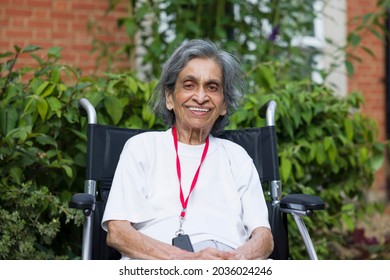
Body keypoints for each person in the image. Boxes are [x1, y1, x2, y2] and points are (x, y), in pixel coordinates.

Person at [101, 39, 274, 260]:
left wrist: (234, 261)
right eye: (189, 85)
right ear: (169, 97)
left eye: (212, 87)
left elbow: (264, 237)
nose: (201, 97)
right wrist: (184, 260)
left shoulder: (237, 156)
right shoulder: (142, 148)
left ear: (223, 105)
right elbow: (118, 232)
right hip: (160, 264)